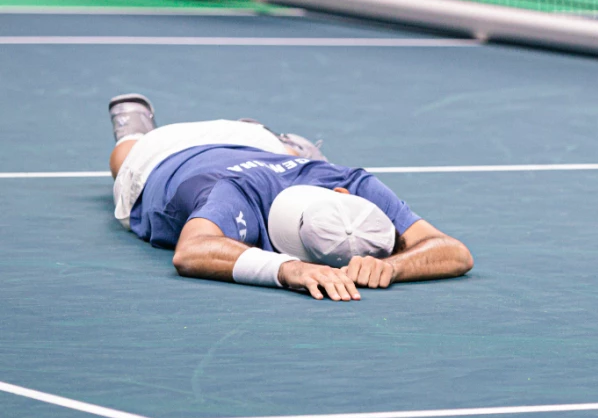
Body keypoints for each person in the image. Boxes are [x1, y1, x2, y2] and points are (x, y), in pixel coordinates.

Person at [107, 94, 473, 301]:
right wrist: (287, 269)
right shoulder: (234, 193)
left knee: (287, 151)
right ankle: (133, 129)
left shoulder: (354, 186)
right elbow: (191, 251)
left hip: (263, 146)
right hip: (161, 153)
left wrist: (394, 266)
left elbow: (455, 251)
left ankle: (277, 140)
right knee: (122, 161)